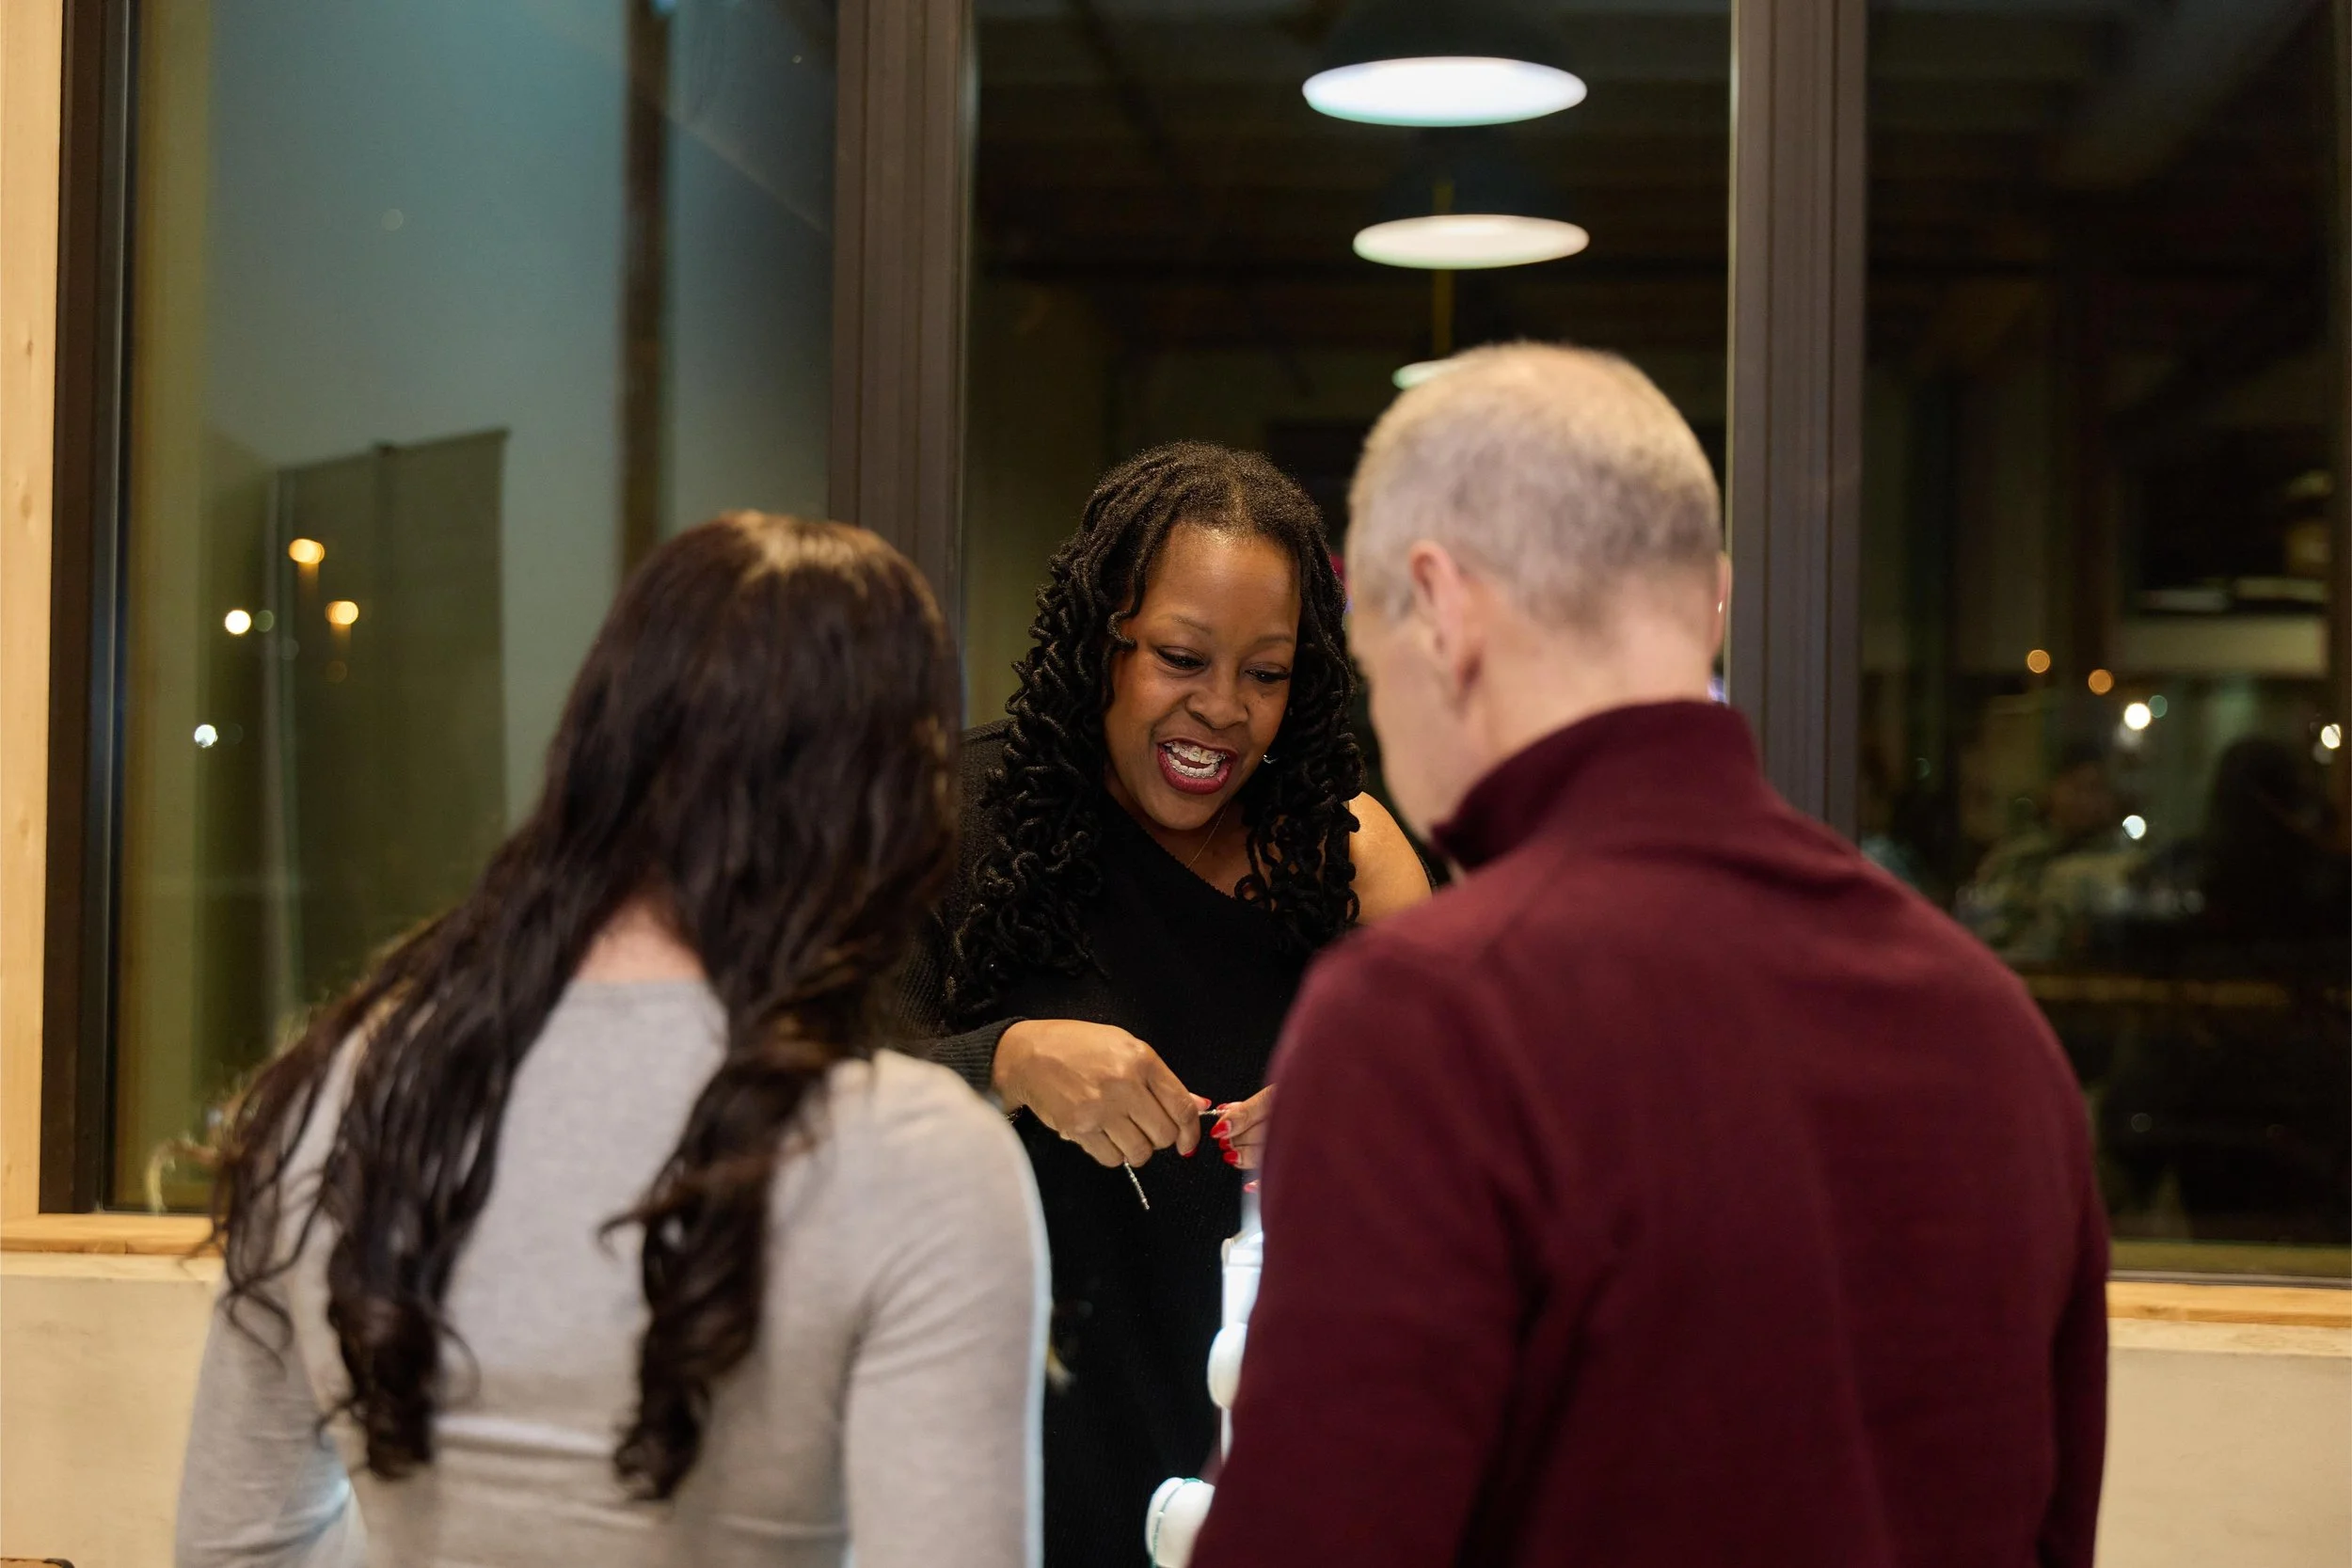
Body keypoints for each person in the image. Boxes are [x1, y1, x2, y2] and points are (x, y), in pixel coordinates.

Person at [1190, 345, 2108, 1568]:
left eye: (1360, 666)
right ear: (1712, 599)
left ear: (1442, 606)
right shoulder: (1993, 1024)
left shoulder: (1431, 1016)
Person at [175, 515, 1047, 1568]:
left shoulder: (340, 1093)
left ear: (595, 751)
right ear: (889, 810)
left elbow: (232, 1547)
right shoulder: (922, 1160)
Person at [898, 442, 1429, 1565]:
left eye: (1268, 672)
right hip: (1005, 1474)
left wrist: (1360, 1104)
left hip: (1275, 1473)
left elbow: (1464, 1124)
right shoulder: (953, 820)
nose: (1223, 711)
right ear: (1103, 639)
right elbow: (803, 1098)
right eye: (1181, 658)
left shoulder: (1347, 854)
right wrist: (1007, 1059)